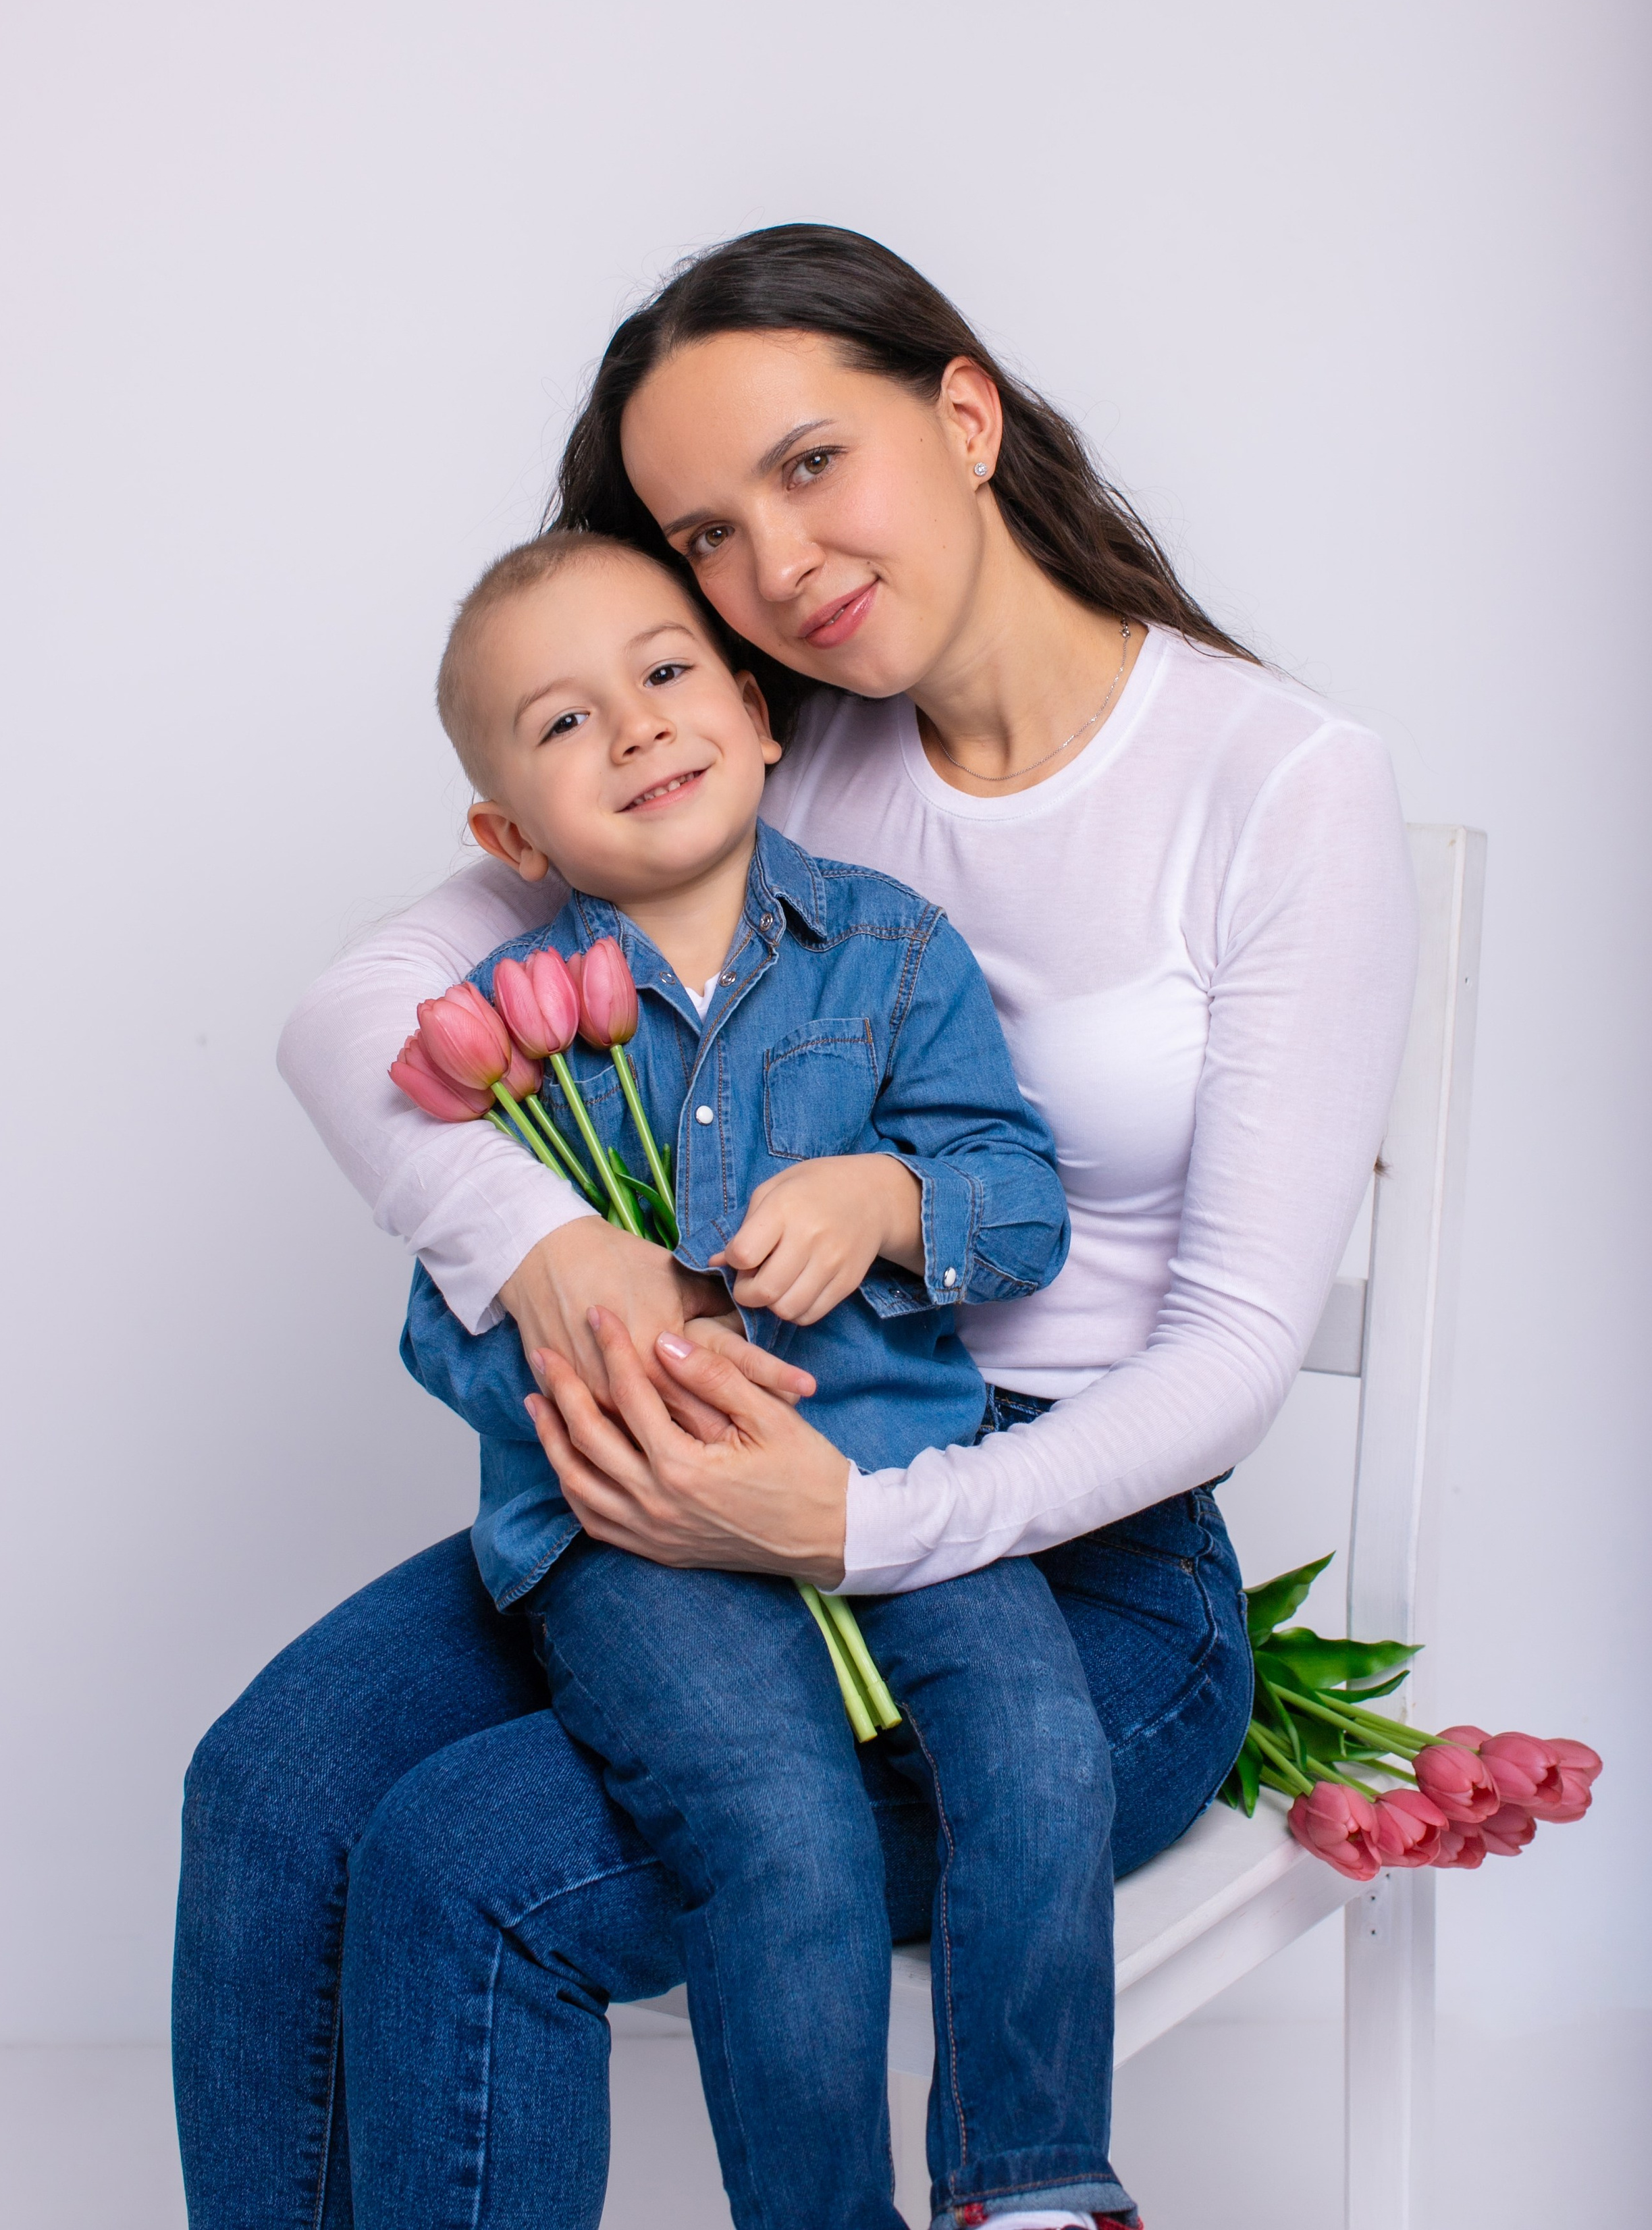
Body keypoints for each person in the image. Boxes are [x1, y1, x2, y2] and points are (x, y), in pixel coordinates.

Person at [173, 224, 1418, 2230]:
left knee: (471, 1859)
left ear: (966, 409)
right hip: (712, 1467)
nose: (775, 568)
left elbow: (1231, 1354)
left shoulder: (1276, 784)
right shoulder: (752, 737)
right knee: (277, 1780)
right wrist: (554, 1254)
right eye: (707, 532)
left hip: (1063, 1563)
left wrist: (858, 1524)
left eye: (811, 463)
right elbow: (351, 1017)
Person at [397, 525, 1131, 2229]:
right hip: (642, 1542)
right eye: (565, 723)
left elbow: (1014, 1202)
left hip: (889, 1478)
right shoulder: (497, 1030)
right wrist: (607, 1361)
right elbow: (441, 1324)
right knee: (778, 1826)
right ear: (508, 834)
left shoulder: (889, 954)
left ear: (753, 701)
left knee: (1036, 1745)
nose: (638, 728)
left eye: (663, 676)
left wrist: (883, 1202)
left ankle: (1026, 2184)